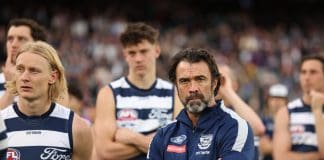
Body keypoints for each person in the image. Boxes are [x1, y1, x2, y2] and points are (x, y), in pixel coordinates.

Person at [93, 22, 182, 160]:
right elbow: (105, 152)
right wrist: (159, 140)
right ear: (125, 55)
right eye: (132, 53)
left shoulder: (174, 93)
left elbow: (179, 149)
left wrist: (132, 137)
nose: (138, 59)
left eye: (144, 51)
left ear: (157, 51)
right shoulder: (109, 93)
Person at [147, 48, 255, 160]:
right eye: (184, 81)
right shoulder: (163, 135)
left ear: (214, 83)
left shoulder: (235, 127)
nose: (193, 88)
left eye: (200, 79)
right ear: (176, 87)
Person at [0, 41, 93, 159]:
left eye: (34, 71)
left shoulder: (77, 128)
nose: (24, 77)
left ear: (53, 77)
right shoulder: (1, 123)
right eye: (20, 69)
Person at [0, 18, 69, 109]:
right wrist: (10, 89)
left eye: (21, 39)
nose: (14, 44)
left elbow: (60, 118)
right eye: (10, 39)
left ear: (38, 45)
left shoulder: (50, 79)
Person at [273, 55, 324, 160]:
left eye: (313, 72)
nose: (307, 77)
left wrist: (317, 111)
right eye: (303, 72)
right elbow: (280, 157)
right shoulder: (287, 112)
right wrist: (317, 157)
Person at [216, 64, 265, 160]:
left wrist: (227, 90)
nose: (216, 83)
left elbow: (258, 129)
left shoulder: (240, 111)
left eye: (221, 79)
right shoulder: (205, 111)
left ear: (234, 85)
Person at [259, 84, 288, 160]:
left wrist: (272, 145)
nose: (277, 102)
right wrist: (287, 145)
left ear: (286, 102)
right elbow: (264, 148)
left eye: (280, 98)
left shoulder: (293, 121)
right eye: (273, 98)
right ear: (268, 101)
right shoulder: (263, 121)